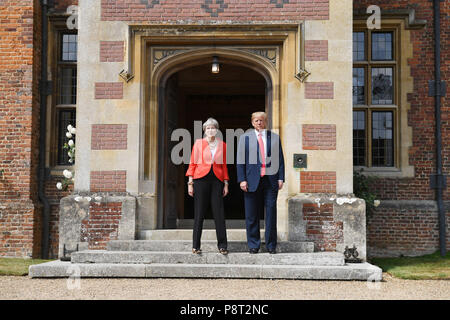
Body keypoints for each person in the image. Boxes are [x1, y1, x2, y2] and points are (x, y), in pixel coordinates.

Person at [237, 111, 285, 254]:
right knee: (252, 214)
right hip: (251, 181)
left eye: (262, 120)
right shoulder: (245, 138)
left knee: (271, 213)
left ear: (266, 122)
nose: (259, 123)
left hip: (270, 181)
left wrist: (281, 177)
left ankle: (271, 245)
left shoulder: (274, 138)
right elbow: (240, 160)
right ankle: (253, 245)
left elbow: (280, 159)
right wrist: (242, 179)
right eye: (256, 120)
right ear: (252, 122)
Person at [186, 118, 229, 255]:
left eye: (213, 128)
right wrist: (190, 183)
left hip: (217, 180)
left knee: (219, 213)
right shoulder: (198, 144)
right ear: (204, 130)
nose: (211, 130)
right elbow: (192, 164)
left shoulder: (223, 145)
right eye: (208, 128)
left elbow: (224, 166)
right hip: (200, 180)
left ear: (217, 130)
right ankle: (196, 246)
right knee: (199, 213)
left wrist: (226, 183)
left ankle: (222, 245)